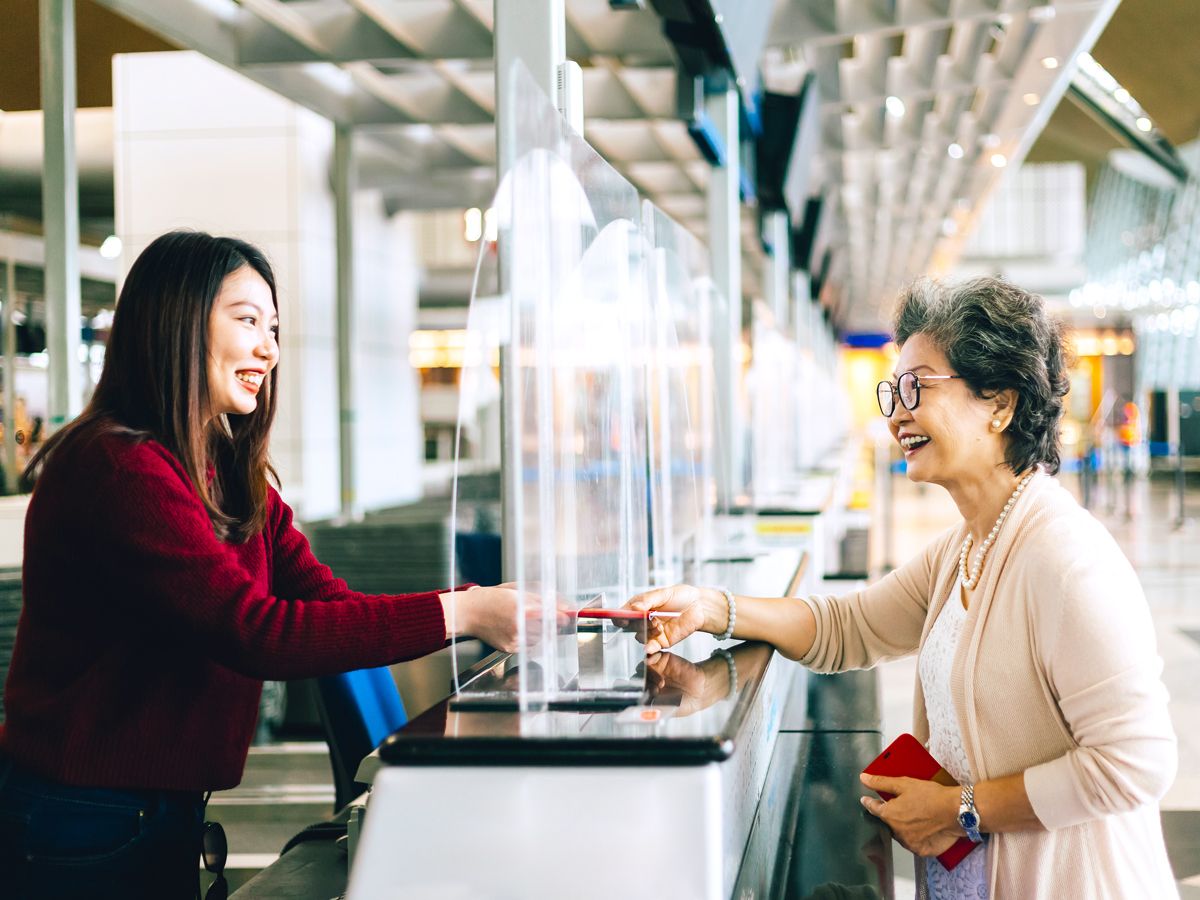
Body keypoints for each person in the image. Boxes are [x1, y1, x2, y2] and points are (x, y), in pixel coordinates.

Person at [0, 231, 528, 899]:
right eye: (247, 320)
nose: (269, 349)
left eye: (273, 328)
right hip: (77, 820)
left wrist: (482, 604)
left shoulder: (226, 474)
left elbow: (327, 604)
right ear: (178, 322)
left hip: (151, 812)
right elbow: (253, 631)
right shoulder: (117, 467)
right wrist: (467, 612)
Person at [625, 277, 1178, 898]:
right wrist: (711, 607)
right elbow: (847, 629)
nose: (895, 414)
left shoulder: (1066, 559)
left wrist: (961, 808)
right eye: (894, 390)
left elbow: (1137, 763)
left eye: (917, 387)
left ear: (1000, 402)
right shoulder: (968, 546)